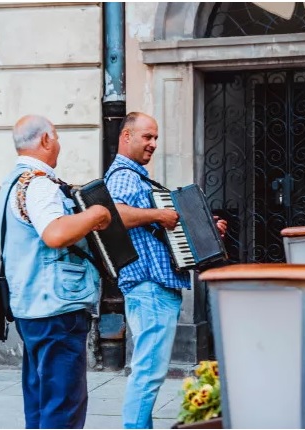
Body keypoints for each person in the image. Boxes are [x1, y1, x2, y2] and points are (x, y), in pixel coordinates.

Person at [104, 112, 227, 429]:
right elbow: (112, 214)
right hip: (149, 287)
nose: (153, 144)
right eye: (147, 137)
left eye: (155, 138)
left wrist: (208, 231)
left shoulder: (138, 178)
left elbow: (167, 229)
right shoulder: (122, 176)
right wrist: (159, 214)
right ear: (127, 136)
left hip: (154, 288)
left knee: (150, 372)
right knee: (148, 373)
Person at [0, 114, 111, 429]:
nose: (58, 144)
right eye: (57, 137)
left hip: (30, 306)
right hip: (55, 308)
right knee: (63, 407)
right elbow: (55, 234)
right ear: (45, 140)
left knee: (40, 403)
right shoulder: (38, 184)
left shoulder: (11, 184)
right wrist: (96, 214)